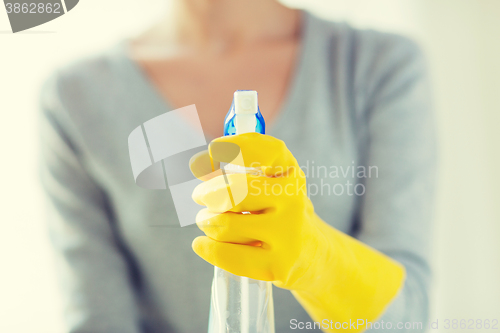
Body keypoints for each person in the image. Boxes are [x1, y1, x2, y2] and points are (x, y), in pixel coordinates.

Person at [39, 0, 436, 332]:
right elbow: (98, 321)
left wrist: (314, 257)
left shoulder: (374, 67)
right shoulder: (77, 96)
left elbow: (406, 321)